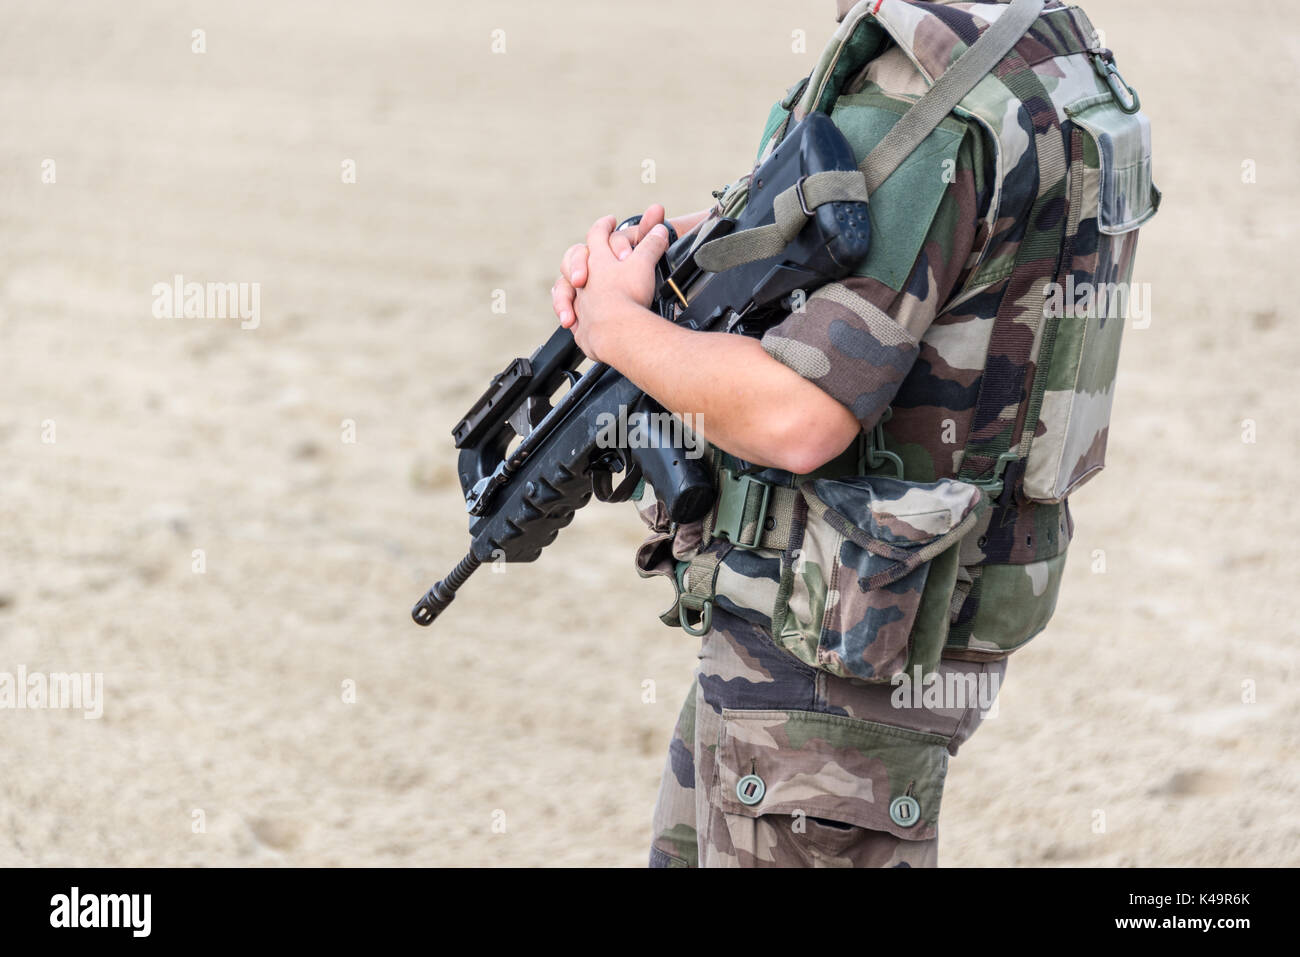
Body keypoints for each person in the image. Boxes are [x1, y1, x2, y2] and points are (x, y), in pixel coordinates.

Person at [549, 0, 1158, 867]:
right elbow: (931, 257)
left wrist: (614, 325)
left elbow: (798, 415)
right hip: (887, 622)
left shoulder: (924, 88)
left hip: (830, 653)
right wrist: (698, 253)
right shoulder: (1038, 41)